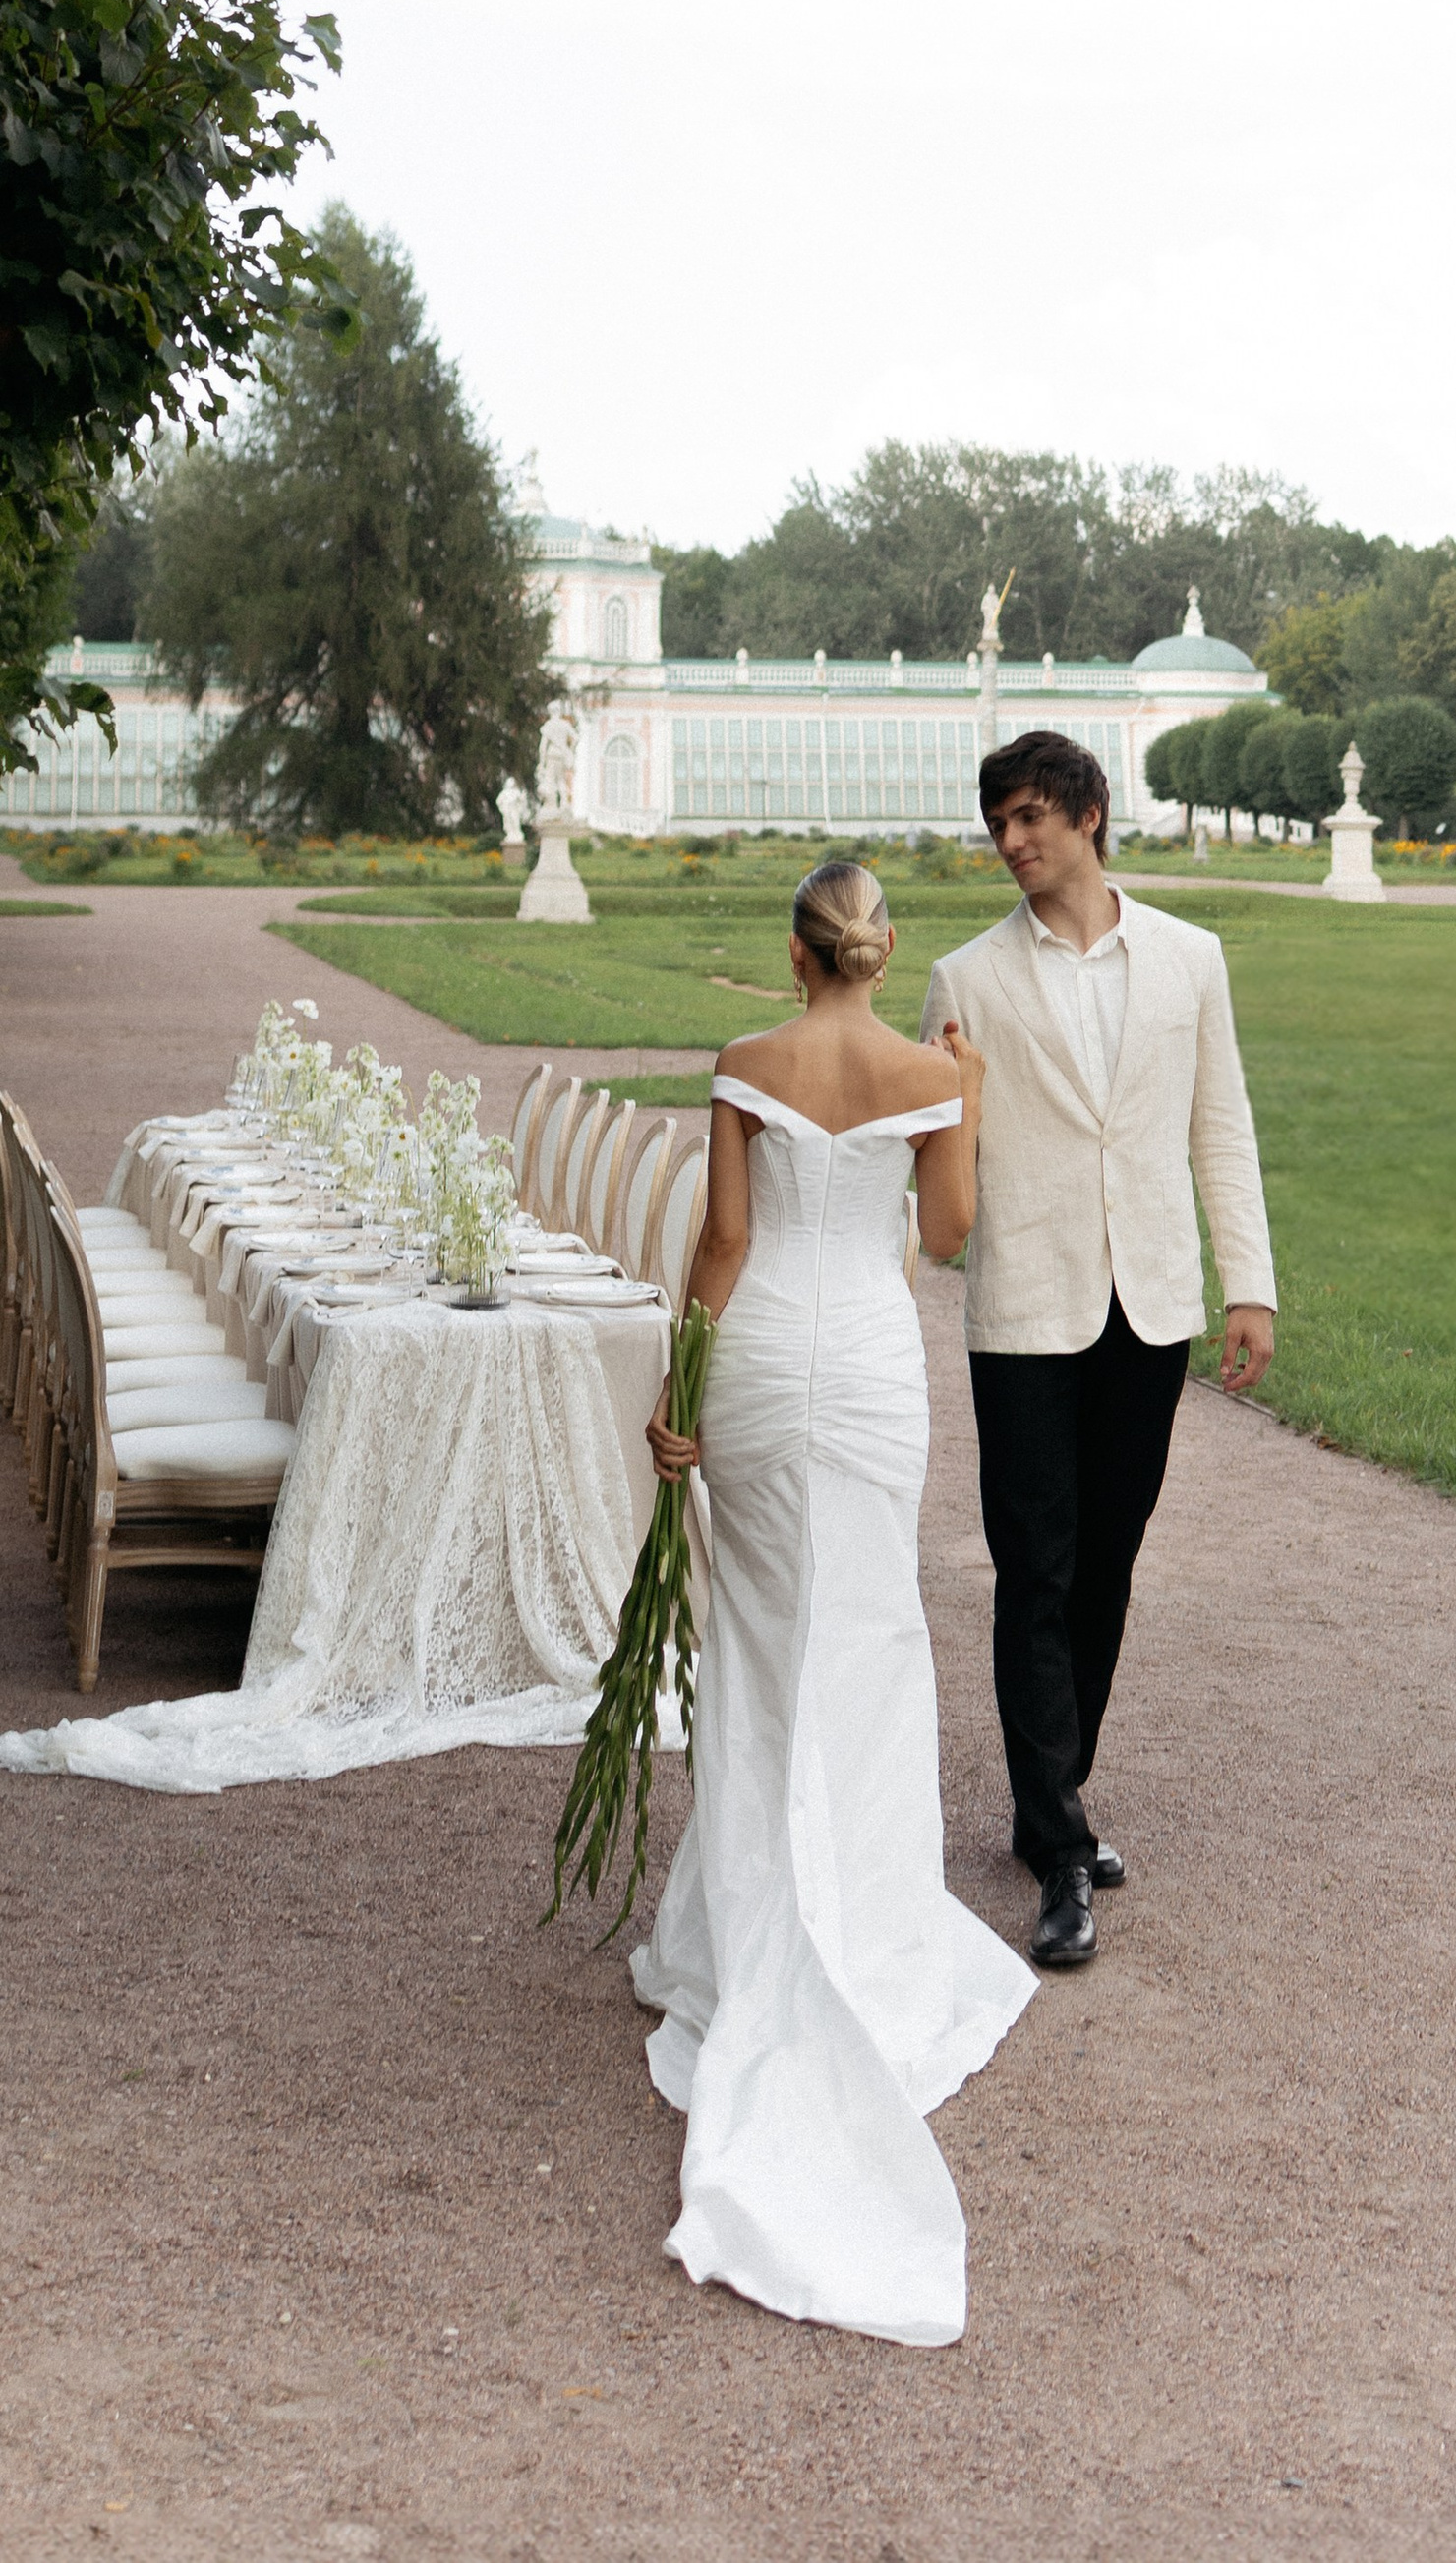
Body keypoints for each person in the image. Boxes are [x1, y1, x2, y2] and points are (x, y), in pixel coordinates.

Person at [628, 857, 1035, 2348]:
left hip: (759, 1365)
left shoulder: (746, 1063)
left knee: (752, 1650)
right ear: (880, 953)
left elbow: (725, 1247)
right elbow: (943, 1236)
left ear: (796, 953)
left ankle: (744, 1930)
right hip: (866, 1367)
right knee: (870, 1645)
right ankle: (859, 1928)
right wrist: (964, 1104)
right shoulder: (930, 1069)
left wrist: (680, 1388)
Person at [920, 729, 1276, 1973]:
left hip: (1152, 1304)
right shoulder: (962, 979)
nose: (1009, 844)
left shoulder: (1191, 959)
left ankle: (1048, 1798)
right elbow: (938, 1181)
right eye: (997, 825)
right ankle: (1061, 1848)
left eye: (1026, 819)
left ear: (1088, 813)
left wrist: (1252, 1287)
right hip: (1024, 1305)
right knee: (1035, 1564)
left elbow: (1218, 1125)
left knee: (1108, 1561)